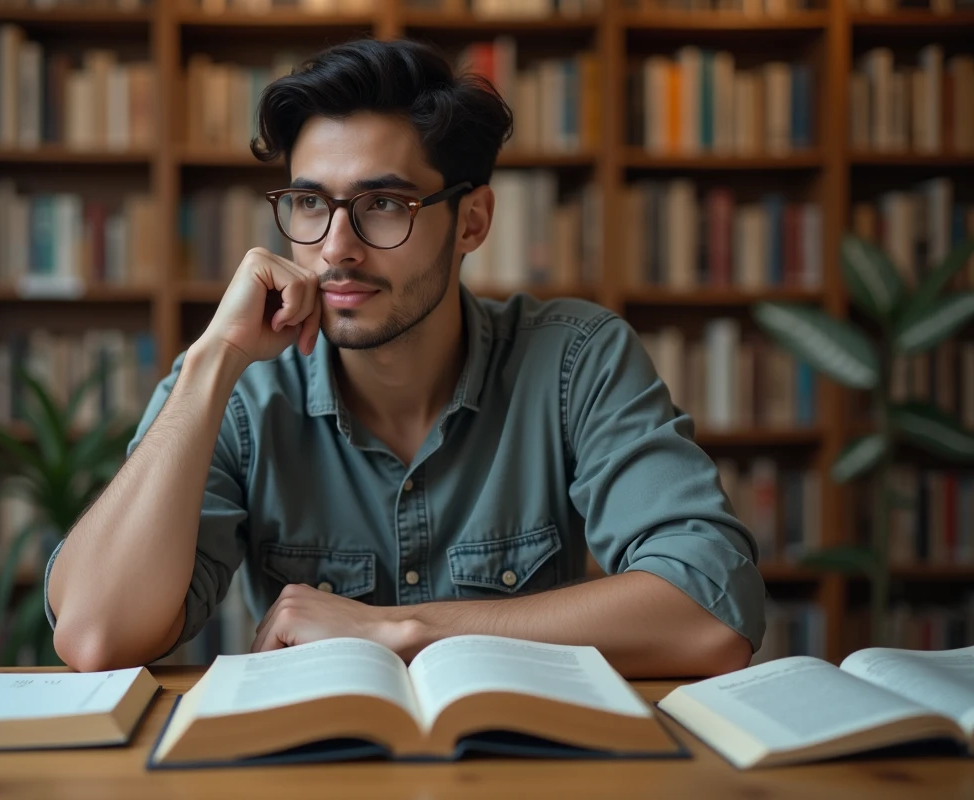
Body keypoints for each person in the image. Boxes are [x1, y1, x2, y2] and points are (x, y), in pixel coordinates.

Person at [44, 37, 765, 677]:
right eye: (307, 202)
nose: (334, 248)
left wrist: (404, 632)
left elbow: (712, 608)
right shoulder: (240, 386)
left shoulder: (576, 360)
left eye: (383, 205)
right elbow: (96, 635)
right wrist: (212, 360)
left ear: (472, 221)